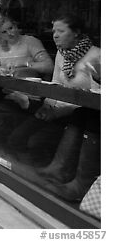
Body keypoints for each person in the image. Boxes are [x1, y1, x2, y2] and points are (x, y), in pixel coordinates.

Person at [31, 15, 101, 201]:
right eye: (53, 31)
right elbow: (55, 84)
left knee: (83, 113)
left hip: (82, 111)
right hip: (66, 111)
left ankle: (79, 182)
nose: (54, 35)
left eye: (60, 31)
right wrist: (48, 106)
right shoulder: (62, 55)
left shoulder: (97, 55)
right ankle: (59, 170)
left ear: (76, 33)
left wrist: (60, 109)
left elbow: (98, 92)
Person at [0, 15, 54, 139]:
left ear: (16, 26)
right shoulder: (1, 46)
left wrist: (26, 64)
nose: (10, 33)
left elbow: (49, 66)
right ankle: (0, 144)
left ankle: (4, 145)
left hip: (30, 94)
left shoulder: (30, 41)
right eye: (4, 32)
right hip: (8, 93)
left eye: (11, 28)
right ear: (0, 35)